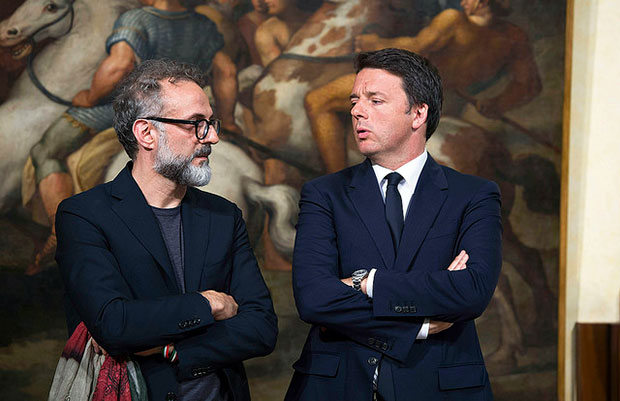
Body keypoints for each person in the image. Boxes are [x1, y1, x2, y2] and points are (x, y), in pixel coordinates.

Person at [286, 48, 502, 400]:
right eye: (355, 100)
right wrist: (418, 323)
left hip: (439, 388)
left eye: (375, 100)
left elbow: (472, 291)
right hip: (336, 387)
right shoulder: (323, 194)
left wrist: (364, 282)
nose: (357, 111)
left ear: (418, 113)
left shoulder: (474, 195)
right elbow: (314, 298)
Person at [55, 59, 277, 401]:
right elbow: (115, 325)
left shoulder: (223, 215)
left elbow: (261, 329)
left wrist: (170, 350)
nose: (212, 137)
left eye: (211, 123)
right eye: (195, 125)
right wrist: (209, 304)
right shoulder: (84, 215)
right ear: (146, 133)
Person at [28, 0, 240, 274]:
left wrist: (89, 97)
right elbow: (228, 72)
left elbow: (118, 67)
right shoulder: (203, 25)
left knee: (45, 150)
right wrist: (231, 120)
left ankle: (59, 229)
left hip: (139, 111)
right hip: (189, 110)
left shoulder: (139, 19)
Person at [305, 0, 541, 172]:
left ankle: (337, 183)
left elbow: (417, 47)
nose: (462, 2)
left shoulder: (453, 20)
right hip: (448, 104)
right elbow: (529, 86)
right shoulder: (515, 37)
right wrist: (496, 103)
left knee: (317, 100)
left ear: (481, 2)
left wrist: (377, 42)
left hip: (411, 89)